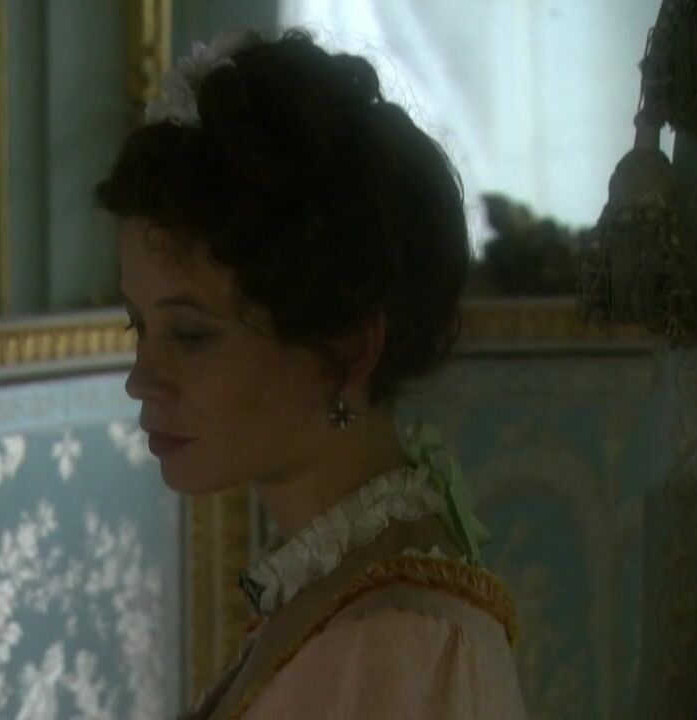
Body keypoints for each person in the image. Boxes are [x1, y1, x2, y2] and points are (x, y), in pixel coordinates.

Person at [95, 28, 528, 719]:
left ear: (347, 347)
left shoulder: (404, 641)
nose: (142, 381)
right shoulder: (329, 585)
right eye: (137, 326)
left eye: (191, 335)